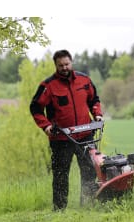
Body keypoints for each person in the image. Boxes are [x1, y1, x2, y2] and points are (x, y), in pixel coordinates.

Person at [30, 49, 103, 211]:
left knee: (90, 172)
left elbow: (94, 100)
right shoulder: (48, 86)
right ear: (55, 65)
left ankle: (88, 206)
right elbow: (35, 108)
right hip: (61, 138)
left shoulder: (84, 80)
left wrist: (97, 115)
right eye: (60, 65)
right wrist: (46, 125)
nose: (64, 68)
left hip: (86, 135)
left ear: (72, 62)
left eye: (67, 64)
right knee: (61, 176)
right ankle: (59, 210)